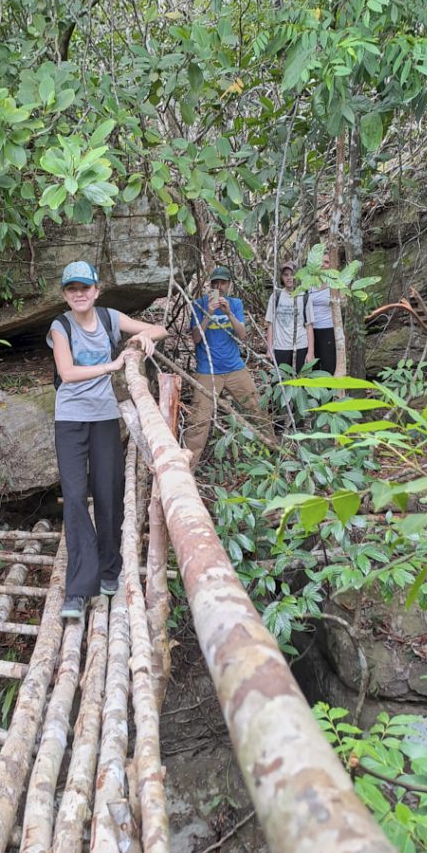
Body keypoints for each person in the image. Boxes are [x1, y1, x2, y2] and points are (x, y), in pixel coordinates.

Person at [47, 260, 168, 619]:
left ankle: (109, 569)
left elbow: (160, 327)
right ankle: (77, 590)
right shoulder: (60, 326)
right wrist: (111, 366)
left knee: (108, 492)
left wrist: (144, 336)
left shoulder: (108, 318)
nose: (80, 294)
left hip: (103, 418)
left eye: (85, 287)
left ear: (96, 290)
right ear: (65, 295)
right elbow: (67, 373)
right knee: (73, 497)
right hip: (70, 420)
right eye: (73, 289)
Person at [183, 266, 266, 467]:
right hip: (207, 370)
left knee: (256, 409)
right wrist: (207, 314)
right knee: (198, 422)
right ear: (211, 285)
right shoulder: (199, 304)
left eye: (223, 283)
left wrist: (229, 313)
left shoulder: (235, 304)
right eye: (216, 284)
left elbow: (242, 335)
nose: (219, 287)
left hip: (234, 367)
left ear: (229, 285)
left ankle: (270, 456)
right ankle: (188, 469)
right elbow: (196, 338)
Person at [264, 262, 314, 374]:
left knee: (300, 382)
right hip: (281, 346)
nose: (289, 278)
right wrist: (269, 349)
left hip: (301, 345)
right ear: (282, 277)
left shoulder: (304, 296)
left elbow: (309, 325)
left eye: (292, 274)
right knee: (280, 382)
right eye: (286, 275)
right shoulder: (276, 296)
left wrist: (310, 352)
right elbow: (271, 324)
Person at [310, 251, 336, 374]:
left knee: (328, 365)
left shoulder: (334, 285)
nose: (323, 264)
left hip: (328, 329)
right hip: (310, 330)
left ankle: (329, 392)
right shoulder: (309, 284)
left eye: (326, 262)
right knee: (313, 365)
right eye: (321, 261)